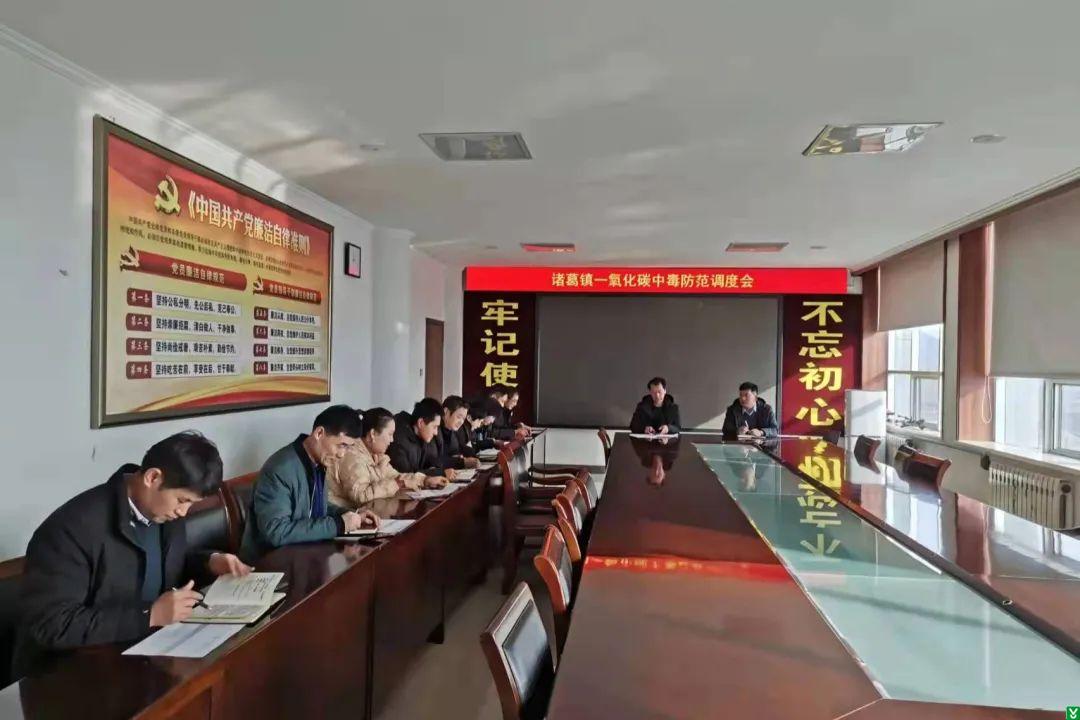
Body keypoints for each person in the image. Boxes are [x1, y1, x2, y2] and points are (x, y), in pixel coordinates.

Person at [15, 432, 251, 674]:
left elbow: (159, 566)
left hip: (144, 653)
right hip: (70, 673)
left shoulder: (163, 512)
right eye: (182, 500)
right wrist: (149, 615)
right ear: (153, 477)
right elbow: (51, 624)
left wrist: (209, 562)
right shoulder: (71, 528)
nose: (184, 512)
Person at [241, 405, 380, 561]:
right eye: (341, 445)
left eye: (348, 448)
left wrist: (350, 515)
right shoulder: (280, 470)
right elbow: (276, 532)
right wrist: (338, 524)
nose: (342, 455)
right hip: (270, 563)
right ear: (319, 433)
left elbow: (315, 507)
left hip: (304, 555)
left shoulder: (317, 461)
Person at [327, 407, 448, 507]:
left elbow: (395, 476)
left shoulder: (377, 455)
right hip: (346, 517)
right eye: (390, 434)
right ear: (373, 434)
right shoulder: (351, 455)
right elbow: (361, 496)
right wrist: (396, 484)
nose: (392, 440)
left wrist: (424, 480)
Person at [389, 398, 456, 480]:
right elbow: (406, 476)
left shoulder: (422, 435)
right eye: (434, 427)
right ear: (420, 423)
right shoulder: (399, 441)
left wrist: (435, 469)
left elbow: (432, 462)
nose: (436, 433)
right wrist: (441, 473)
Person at [436, 396, 481, 470]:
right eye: (459, 417)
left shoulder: (452, 431)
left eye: (463, 418)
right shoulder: (433, 431)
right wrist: (462, 462)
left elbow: (458, 449)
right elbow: (434, 461)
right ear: (446, 412)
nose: (461, 422)